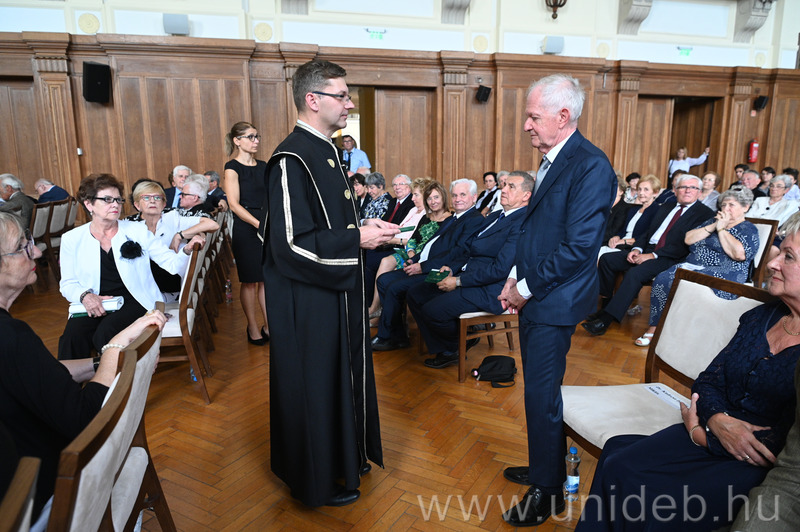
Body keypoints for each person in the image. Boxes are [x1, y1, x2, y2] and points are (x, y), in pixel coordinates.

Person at [576, 212, 800, 532]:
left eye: (788, 256)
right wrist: (715, 420)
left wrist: (701, 434)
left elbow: (787, 445)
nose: (772, 263)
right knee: (617, 462)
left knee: (658, 503)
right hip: (712, 425)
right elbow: (709, 380)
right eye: (779, 252)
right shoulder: (761, 317)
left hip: (755, 462)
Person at [260, 58, 397, 508]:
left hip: (334, 293)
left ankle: (345, 458)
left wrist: (366, 230)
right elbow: (288, 243)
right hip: (308, 300)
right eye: (342, 95)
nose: (349, 104)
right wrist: (357, 238)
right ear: (313, 99)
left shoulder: (326, 150)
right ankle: (314, 482)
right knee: (314, 387)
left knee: (339, 379)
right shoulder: (291, 158)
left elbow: (331, 223)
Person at [495, 74, 617, 527]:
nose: (526, 125)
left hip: (553, 299)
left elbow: (578, 248)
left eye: (533, 116)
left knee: (542, 396)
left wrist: (523, 289)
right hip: (536, 292)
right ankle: (543, 465)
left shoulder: (591, 165)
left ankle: (548, 494)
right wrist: (514, 277)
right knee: (536, 394)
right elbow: (534, 232)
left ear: (563, 116)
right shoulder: (552, 158)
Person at [0, 210, 169, 519]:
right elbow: (86, 417)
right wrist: (115, 348)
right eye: (23, 247)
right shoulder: (11, 338)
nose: (36, 252)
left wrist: (99, 363)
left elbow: (39, 376)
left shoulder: (11, 337)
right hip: (37, 496)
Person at [57, 174, 202, 360]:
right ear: (89, 204)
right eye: (107, 200)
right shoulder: (72, 239)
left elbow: (171, 263)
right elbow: (68, 283)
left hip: (135, 300)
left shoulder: (137, 230)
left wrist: (187, 251)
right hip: (95, 302)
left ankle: (112, 376)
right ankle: (73, 378)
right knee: (72, 338)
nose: (115, 205)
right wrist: (85, 296)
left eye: (118, 200)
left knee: (106, 332)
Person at [407, 171, 532, 369]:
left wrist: (458, 281)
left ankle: (455, 346)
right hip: (466, 274)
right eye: (504, 185)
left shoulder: (522, 223)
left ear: (526, 195)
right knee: (416, 293)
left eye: (511, 186)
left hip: (489, 288)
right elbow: (469, 249)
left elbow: (499, 269)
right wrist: (452, 268)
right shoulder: (495, 216)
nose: (503, 190)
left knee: (432, 310)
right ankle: (451, 346)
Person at [584, 173, 715, 336]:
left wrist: (653, 255)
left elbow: (684, 245)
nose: (687, 190)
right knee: (607, 259)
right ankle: (606, 307)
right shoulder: (666, 207)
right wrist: (637, 249)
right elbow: (647, 233)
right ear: (675, 190)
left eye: (692, 187)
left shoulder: (705, 214)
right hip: (646, 250)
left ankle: (606, 320)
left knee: (635, 273)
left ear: (699, 192)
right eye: (683, 187)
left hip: (669, 257)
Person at [635, 186, 759, 346]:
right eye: (723, 205)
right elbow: (688, 239)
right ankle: (654, 328)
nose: (726, 209)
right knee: (663, 279)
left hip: (724, 271)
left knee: (691, 286)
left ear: (745, 207)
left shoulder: (748, 229)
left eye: (731, 205)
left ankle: (679, 333)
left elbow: (739, 254)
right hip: (693, 265)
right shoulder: (711, 221)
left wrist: (721, 229)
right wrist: (715, 225)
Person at [371, 179, 484, 351]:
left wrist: (422, 266)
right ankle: (397, 335)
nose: (457, 199)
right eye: (455, 195)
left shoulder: (473, 219)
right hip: (425, 264)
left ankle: (388, 336)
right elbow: (430, 244)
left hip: (441, 270)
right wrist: (414, 259)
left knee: (395, 287)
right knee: (384, 280)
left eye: (463, 195)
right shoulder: (455, 218)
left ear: (474, 197)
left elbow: (458, 252)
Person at [730, 357, 800, 531]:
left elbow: (774, 441)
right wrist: (711, 421)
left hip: (749, 453)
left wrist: (707, 435)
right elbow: (793, 476)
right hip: (722, 433)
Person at [125, 180, 218, 298]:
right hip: (142, 284)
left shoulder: (172, 218)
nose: (152, 201)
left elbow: (213, 225)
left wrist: (180, 235)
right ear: (137, 205)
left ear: (164, 204)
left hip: (171, 280)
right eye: (146, 198)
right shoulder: (128, 225)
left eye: (157, 198)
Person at [223, 121, 270, 345]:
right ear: (237, 141)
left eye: (257, 136)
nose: (256, 141)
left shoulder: (264, 165)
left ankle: (269, 326)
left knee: (266, 280)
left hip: (265, 224)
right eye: (251, 137)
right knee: (250, 281)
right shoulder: (232, 167)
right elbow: (234, 204)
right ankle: (252, 327)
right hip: (246, 227)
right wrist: (258, 224)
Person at [366, 178, 438, 321]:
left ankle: (377, 309)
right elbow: (401, 229)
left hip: (405, 249)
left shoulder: (427, 214)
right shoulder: (413, 209)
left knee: (380, 263)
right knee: (367, 256)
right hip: (399, 246)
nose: (412, 198)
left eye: (416, 195)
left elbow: (417, 240)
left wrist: (393, 241)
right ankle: (373, 306)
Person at [599, 175, 661, 258]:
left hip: (634, 248)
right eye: (639, 189)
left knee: (601, 256)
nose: (641, 193)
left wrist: (624, 241)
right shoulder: (634, 210)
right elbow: (623, 230)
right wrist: (616, 237)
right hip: (620, 244)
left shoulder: (657, 210)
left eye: (646, 189)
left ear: (655, 192)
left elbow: (646, 236)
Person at [602, 175, 636, 245]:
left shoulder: (625, 208)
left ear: (621, 192)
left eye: (614, 187)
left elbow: (614, 231)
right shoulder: (603, 204)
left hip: (608, 241)